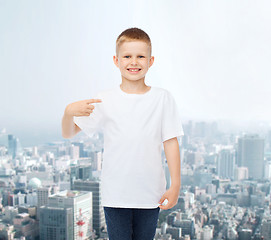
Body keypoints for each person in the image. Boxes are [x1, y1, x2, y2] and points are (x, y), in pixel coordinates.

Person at [62, 27, 184, 240]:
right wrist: (67, 113)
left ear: (151, 60)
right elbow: (69, 133)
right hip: (115, 194)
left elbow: (170, 142)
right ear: (116, 60)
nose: (133, 62)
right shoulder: (104, 99)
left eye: (140, 56)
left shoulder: (163, 98)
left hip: (151, 193)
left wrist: (176, 185)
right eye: (127, 56)